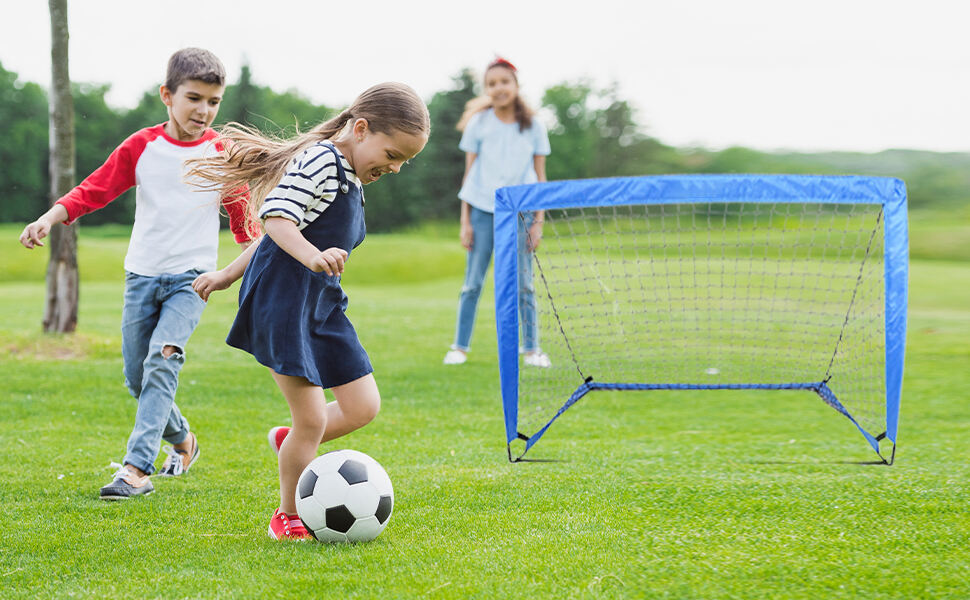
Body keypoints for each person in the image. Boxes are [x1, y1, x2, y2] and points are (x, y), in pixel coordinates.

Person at [187, 82, 429, 540]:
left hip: (321, 304)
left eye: (404, 161)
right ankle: (288, 513)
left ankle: (291, 443)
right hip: (282, 302)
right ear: (360, 129)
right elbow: (276, 218)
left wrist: (227, 273)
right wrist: (310, 257)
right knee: (313, 419)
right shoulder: (321, 160)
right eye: (393, 153)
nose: (395, 168)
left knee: (362, 407)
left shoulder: (353, 175)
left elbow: (271, 235)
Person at [18, 48, 256, 500]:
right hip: (142, 276)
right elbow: (94, 189)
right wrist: (48, 218)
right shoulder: (142, 147)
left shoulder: (222, 154)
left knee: (162, 359)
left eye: (214, 101)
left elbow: (246, 225)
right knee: (136, 376)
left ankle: (135, 469)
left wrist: (247, 271)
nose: (204, 111)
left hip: (193, 279)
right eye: (194, 98)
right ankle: (184, 440)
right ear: (167, 95)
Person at [443, 57, 552, 367]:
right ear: (486, 89)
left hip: (521, 214)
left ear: (516, 86)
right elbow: (469, 173)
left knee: (525, 283)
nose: (498, 88)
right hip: (481, 209)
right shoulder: (479, 123)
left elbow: (540, 176)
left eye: (504, 82)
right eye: (491, 84)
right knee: (473, 282)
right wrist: (465, 221)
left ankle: (532, 349)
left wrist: (538, 222)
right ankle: (459, 347)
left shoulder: (533, 126)